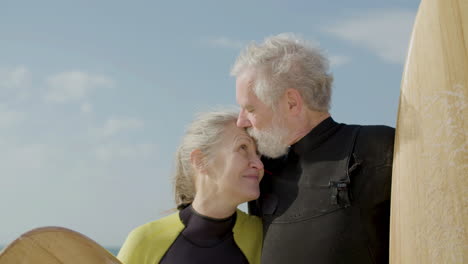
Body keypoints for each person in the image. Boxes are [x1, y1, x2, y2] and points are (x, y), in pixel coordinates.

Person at [231, 33, 395, 263]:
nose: (241, 121)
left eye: (250, 109)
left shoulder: (378, 148)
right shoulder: (265, 169)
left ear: (292, 103)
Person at [117, 110, 264, 264]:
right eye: (243, 148)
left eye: (258, 153)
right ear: (200, 161)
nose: (259, 164)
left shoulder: (264, 236)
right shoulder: (145, 241)